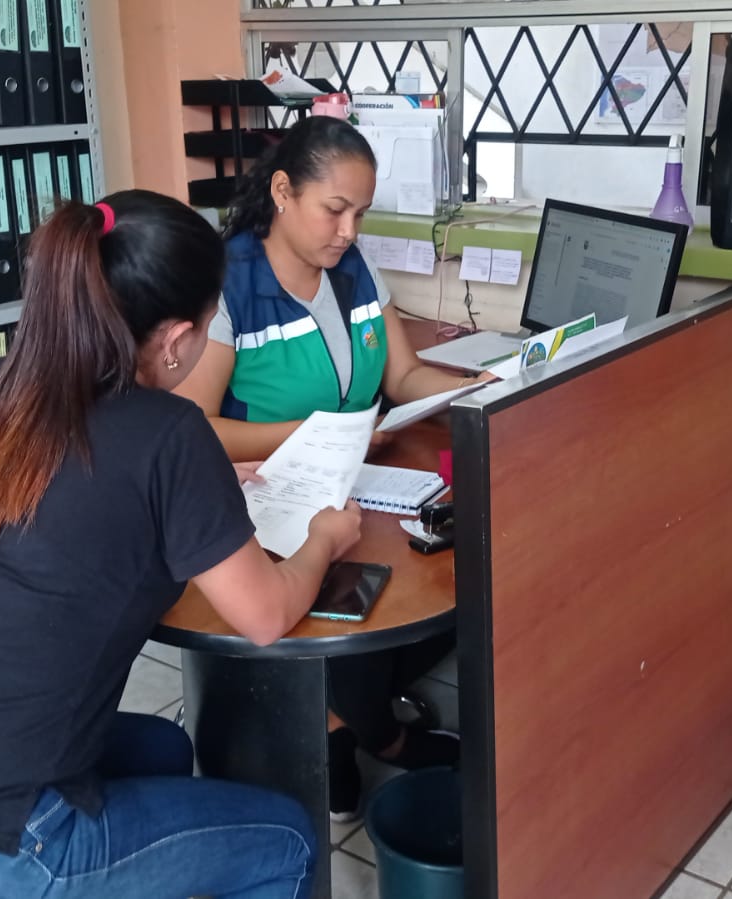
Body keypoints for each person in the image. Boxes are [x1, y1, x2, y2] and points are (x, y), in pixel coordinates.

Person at [0, 193, 364, 899]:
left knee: (163, 747)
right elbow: (265, 616)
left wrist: (201, 492)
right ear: (176, 339)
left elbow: (77, 504)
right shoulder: (169, 434)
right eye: (208, 326)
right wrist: (324, 536)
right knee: (288, 840)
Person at [174, 116, 470, 821]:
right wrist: (320, 434)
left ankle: (348, 718)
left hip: (356, 484)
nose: (347, 231)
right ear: (282, 192)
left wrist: (477, 391)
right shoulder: (229, 284)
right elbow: (192, 429)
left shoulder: (354, 271)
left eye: (359, 214)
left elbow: (402, 375)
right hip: (263, 499)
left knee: (451, 574)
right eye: (334, 209)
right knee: (354, 602)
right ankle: (369, 730)